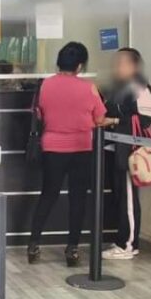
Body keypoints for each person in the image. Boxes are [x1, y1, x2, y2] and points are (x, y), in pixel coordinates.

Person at [28, 42, 117, 266]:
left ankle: (34, 244)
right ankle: (72, 249)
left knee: (48, 195)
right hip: (81, 148)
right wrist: (116, 120)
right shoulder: (89, 88)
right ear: (80, 66)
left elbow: (39, 113)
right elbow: (99, 119)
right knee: (78, 199)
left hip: (52, 148)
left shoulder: (45, 85)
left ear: (59, 62)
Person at [102, 47, 151, 260]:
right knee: (120, 196)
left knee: (129, 199)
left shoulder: (140, 88)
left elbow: (145, 120)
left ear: (134, 66)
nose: (118, 67)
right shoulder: (119, 89)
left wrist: (114, 120)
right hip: (116, 149)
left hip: (130, 152)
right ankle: (122, 239)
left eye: (123, 63)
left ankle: (128, 244)